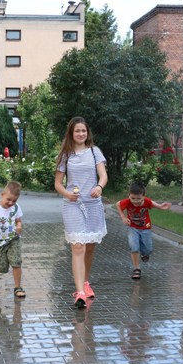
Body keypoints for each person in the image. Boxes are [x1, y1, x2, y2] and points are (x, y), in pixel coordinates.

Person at [54, 117, 108, 308]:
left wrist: (100, 187)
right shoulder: (65, 155)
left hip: (93, 204)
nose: (81, 134)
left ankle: (85, 282)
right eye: (77, 131)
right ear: (71, 133)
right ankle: (80, 293)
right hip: (73, 205)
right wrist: (68, 194)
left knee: (90, 247)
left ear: (87, 133)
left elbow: (103, 175)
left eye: (83, 131)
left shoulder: (95, 152)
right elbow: (58, 184)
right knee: (78, 246)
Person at [115, 182, 171, 280]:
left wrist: (162, 206)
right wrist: (123, 217)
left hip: (146, 228)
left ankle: (145, 254)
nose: (135, 201)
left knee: (148, 249)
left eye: (138, 199)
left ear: (144, 196)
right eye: (133, 198)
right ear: (129, 196)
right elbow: (118, 204)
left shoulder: (147, 202)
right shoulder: (127, 202)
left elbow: (155, 205)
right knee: (134, 246)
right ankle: (136, 269)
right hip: (133, 227)